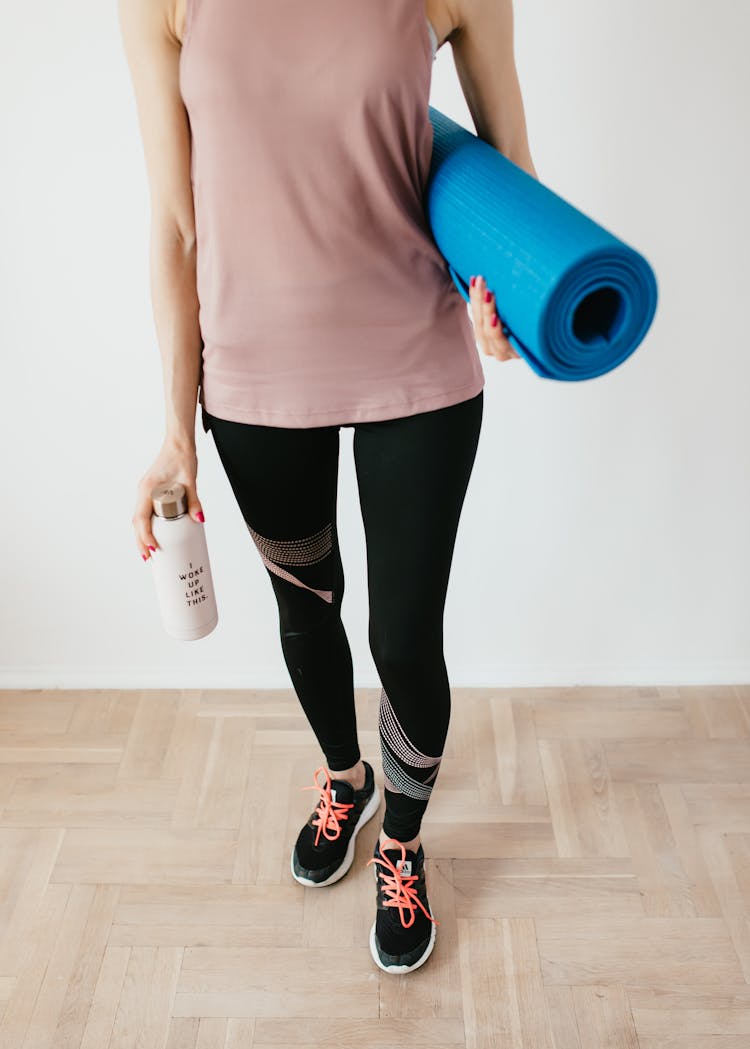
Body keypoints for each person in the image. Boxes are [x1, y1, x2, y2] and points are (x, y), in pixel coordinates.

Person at [120, 0, 537, 974]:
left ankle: (400, 834)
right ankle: (343, 777)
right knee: (307, 604)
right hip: (255, 373)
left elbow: (512, 177)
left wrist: (509, 296)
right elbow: (177, 225)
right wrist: (175, 431)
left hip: (417, 364)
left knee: (402, 634)